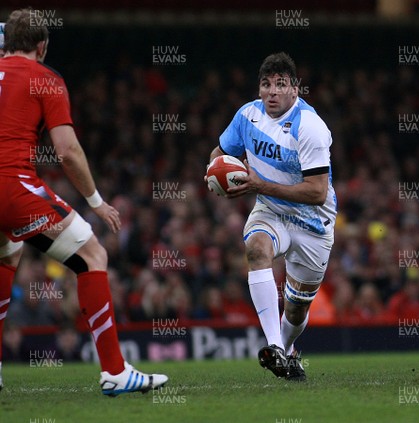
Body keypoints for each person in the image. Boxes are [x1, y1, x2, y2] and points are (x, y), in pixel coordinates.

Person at [0, 9, 167, 395]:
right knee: (93, 255)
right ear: (42, 47)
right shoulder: (46, 79)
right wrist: (96, 201)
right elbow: (68, 151)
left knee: (7, 256)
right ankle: (114, 371)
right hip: (14, 187)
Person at [207, 52, 336, 381]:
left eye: (281, 84)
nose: (272, 91)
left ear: (295, 88)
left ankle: (288, 350)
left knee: (296, 308)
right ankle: (274, 347)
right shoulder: (247, 116)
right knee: (256, 248)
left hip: (313, 223)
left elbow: (317, 192)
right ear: (259, 88)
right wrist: (215, 175)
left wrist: (261, 184)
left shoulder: (310, 127)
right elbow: (220, 154)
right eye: (266, 84)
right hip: (271, 211)